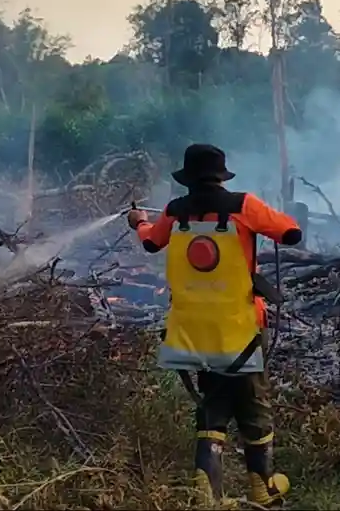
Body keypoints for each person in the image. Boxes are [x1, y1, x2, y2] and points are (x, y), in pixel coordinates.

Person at [126, 143, 302, 507]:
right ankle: (262, 487)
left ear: (188, 178)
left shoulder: (175, 211)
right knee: (253, 401)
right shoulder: (244, 205)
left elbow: (150, 243)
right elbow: (291, 233)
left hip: (193, 329)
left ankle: (205, 490)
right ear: (221, 176)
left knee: (213, 400)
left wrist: (140, 221)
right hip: (242, 328)